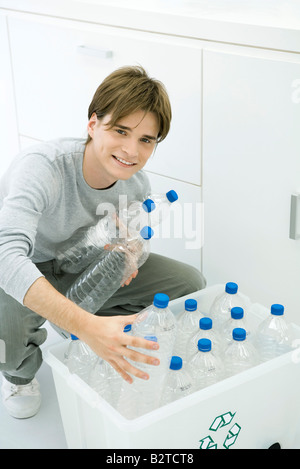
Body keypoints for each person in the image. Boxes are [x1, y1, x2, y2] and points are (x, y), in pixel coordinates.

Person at [0, 66, 206, 419]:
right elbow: (5, 256)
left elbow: (135, 242)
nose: (131, 150)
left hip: (80, 266)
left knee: (189, 283)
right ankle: (19, 375)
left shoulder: (136, 186)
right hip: (25, 266)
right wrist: (85, 324)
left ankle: (85, 327)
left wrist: (131, 253)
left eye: (146, 140)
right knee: (7, 337)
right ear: (93, 124)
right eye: (121, 130)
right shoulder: (43, 167)